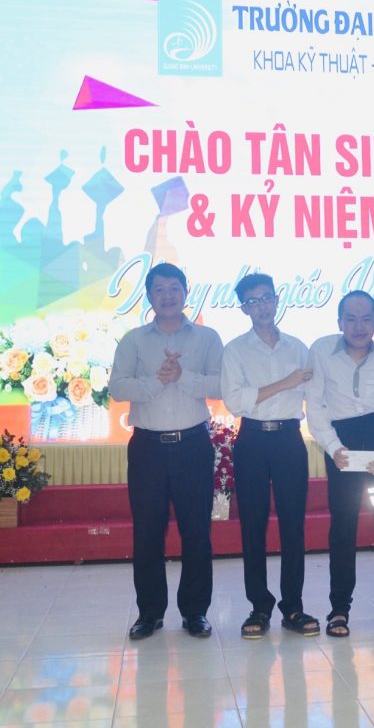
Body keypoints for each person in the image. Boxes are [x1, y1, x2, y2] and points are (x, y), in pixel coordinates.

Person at [109, 262, 223, 640]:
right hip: (148, 448)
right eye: (160, 289)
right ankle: (150, 613)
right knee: (147, 532)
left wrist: (182, 377)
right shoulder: (134, 340)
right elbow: (118, 387)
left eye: (175, 288)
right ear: (149, 296)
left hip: (193, 445)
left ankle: (195, 612)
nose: (168, 295)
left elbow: (221, 385)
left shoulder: (207, 338)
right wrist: (157, 381)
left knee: (197, 531)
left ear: (186, 292)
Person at [305, 290, 374, 638]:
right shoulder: (321, 351)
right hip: (342, 449)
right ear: (340, 322)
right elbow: (315, 405)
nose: (359, 326)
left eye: (366, 319)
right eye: (351, 319)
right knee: (343, 529)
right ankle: (339, 610)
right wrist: (333, 447)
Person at [221, 273, 319, 639]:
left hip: (290, 439)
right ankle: (259, 607)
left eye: (266, 298)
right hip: (252, 440)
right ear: (244, 309)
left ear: (277, 300)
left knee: (293, 525)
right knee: (253, 525)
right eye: (253, 301)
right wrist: (285, 383)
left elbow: (314, 394)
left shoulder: (298, 347)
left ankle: (293, 607)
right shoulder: (235, 350)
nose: (261, 306)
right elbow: (235, 401)